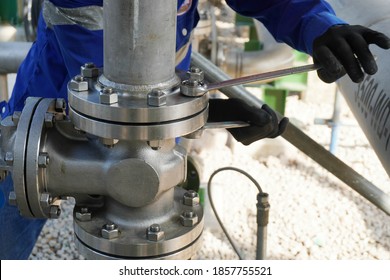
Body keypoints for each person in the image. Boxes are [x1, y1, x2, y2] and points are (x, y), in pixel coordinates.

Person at [0, 0, 389, 260]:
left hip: (158, 125)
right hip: (47, 118)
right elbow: (110, 89)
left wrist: (318, 27)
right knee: (9, 216)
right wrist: (211, 114)